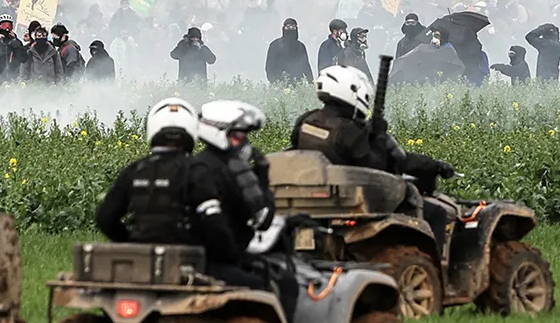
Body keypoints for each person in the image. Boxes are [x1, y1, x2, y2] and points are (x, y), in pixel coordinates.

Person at [289, 65, 456, 251]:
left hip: (307, 198)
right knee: (437, 213)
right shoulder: (348, 131)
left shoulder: (306, 120)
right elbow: (377, 167)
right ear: (351, 91)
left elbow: (296, 149)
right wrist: (379, 139)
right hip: (351, 202)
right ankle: (437, 267)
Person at [96, 97, 258, 288]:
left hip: (140, 264)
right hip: (186, 264)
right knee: (257, 282)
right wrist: (231, 256)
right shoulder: (196, 170)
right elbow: (214, 223)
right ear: (190, 130)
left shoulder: (135, 169)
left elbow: (105, 217)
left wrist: (130, 243)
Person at [195, 100, 297, 321]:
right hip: (220, 261)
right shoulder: (234, 172)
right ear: (217, 132)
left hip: (193, 258)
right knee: (283, 284)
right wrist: (262, 178)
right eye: (238, 136)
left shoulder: (193, 165)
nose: (244, 143)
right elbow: (263, 219)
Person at [265, 18, 312, 84]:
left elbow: (306, 66)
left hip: (297, 84)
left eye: (293, 27)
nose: (291, 29)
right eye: (288, 27)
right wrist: (274, 82)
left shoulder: (300, 46)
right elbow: (269, 66)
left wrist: (310, 81)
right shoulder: (275, 45)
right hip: (279, 84)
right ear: (283, 28)